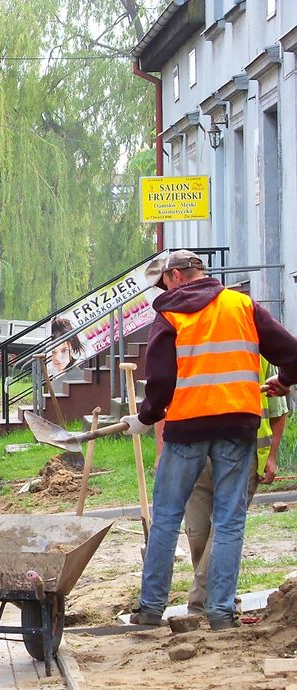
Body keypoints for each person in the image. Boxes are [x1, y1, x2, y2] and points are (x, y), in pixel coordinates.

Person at [123, 250, 297, 630]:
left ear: (175, 276)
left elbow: (161, 381)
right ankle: (220, 613)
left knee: (166, 517)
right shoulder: (242, 306)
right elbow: (293, 354)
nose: (162, 291)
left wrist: (145, 417)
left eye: (163, 284)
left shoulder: (171, 314)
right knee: (230, 521)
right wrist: (284, 381)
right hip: (237, 426)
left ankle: (150, 610)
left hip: (187, 429)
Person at [184, 358, 289, 617]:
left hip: (244, 453)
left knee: (223, 530)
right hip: (194, 451)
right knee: (197, 533)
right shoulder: (191, 343)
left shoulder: (259, 353)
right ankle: (224, 598)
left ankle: (201, 605)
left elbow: (278, 410)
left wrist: (271, 456)